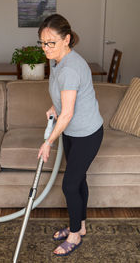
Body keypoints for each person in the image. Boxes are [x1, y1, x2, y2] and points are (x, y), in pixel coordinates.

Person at [37, 14, 103, 257]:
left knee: (69, 183)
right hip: (73, 132)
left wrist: (48, 142)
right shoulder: (57, 60)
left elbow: (67, 115)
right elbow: (67, 98)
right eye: (42, 42)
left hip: (87, 133)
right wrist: (56, 105)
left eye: (50, 42)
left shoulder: (71, 68)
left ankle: (74, 235)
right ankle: (81, 226)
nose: (45, 48)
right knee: (79, 179)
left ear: (66, 39)